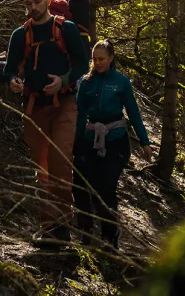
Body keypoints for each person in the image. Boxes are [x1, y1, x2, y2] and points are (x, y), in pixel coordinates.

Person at [6, 0, 90, 247]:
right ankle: (47, 227)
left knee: (60, 161)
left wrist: (63, 80)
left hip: (64, 104)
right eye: (28, 3)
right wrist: (12, 81)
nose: (33, 7)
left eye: (37, 1)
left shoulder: (66, 30)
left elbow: (82, 63)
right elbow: (8, 68)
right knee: (41, 168)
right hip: (33, 107)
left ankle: (63, 227)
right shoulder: (20, 34)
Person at [73, 39, 151, 249]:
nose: (98, 63)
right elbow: (80, 115)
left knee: (106, 187)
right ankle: (86, 232)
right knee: (81, 186)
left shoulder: (121, 82)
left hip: (116, 141)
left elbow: (133, 113)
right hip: (89, 139)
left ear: (111, 58)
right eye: (94, 59)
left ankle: (110, 236)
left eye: (102, 59)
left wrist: (145, 142)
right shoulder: (85, 82)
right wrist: (77, 143)